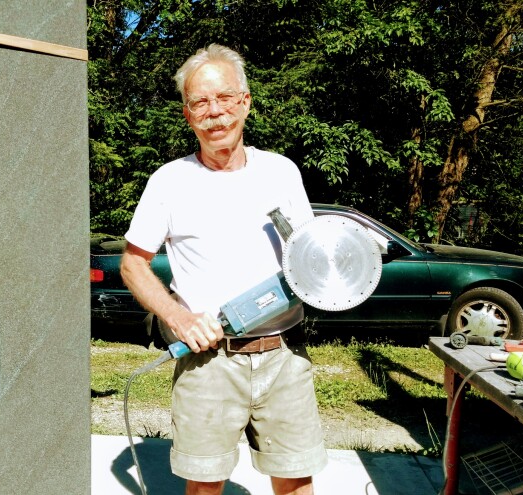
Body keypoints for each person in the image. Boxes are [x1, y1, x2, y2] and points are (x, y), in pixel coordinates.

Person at [120, 44, 328, 495]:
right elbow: (133, 265)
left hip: (284, 356)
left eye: (225, 98)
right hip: (208, 363)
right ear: (187, 115)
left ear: (246, 103)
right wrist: (178, 318)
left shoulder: (282, 172)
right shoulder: (169, 182)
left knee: (296, 481)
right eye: (200, 103)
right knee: (205, 486)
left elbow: (310, 258)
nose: (215, 113)